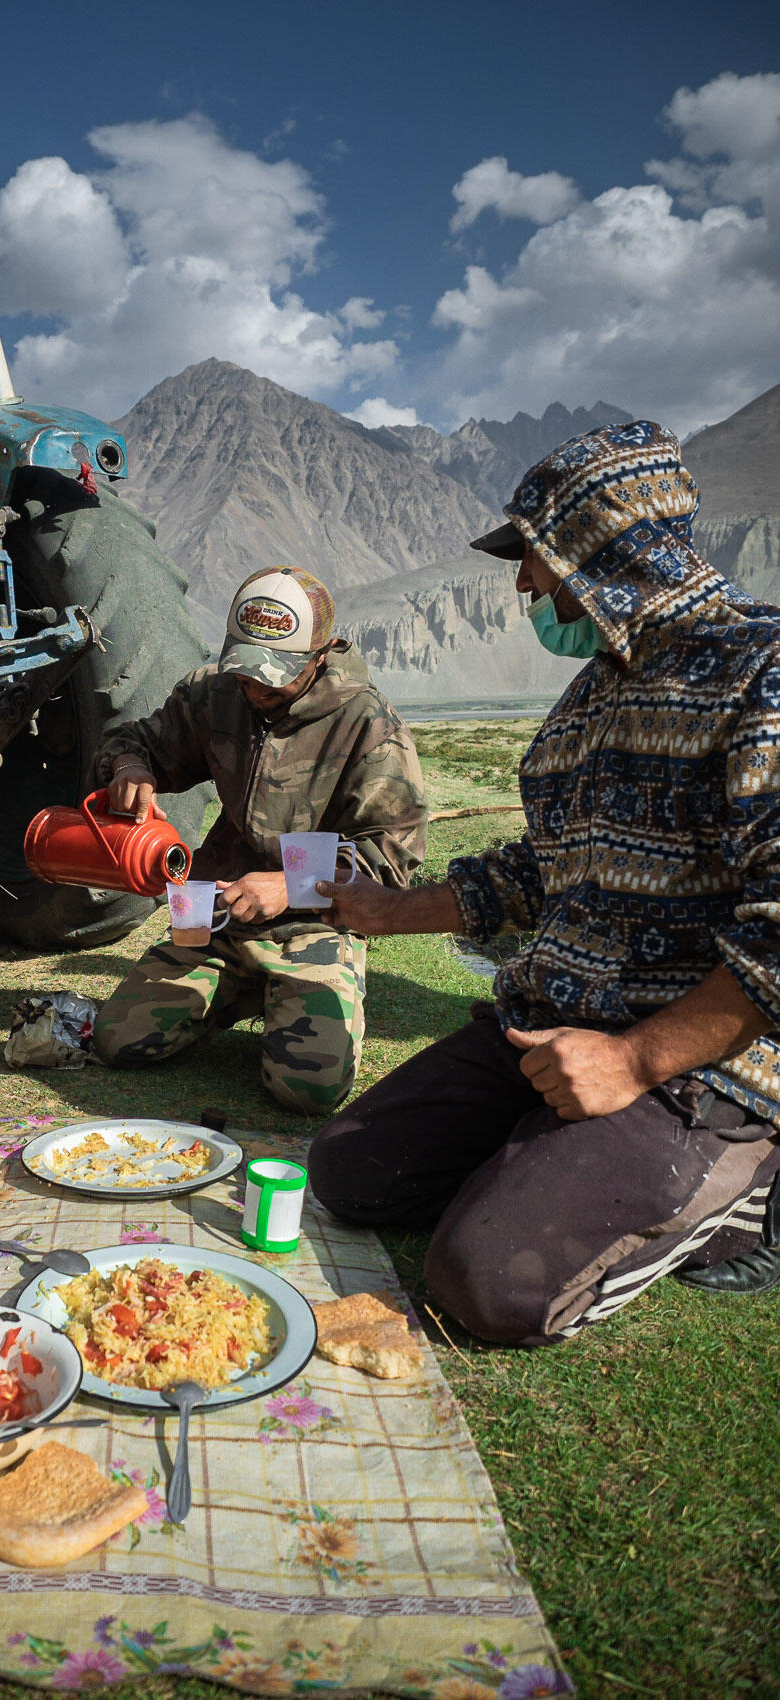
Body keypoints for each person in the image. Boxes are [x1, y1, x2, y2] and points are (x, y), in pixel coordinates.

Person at [307, 420, 780, 1346]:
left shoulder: (758, 671)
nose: (524, 583)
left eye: (537, 556)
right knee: (350, 1176)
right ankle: (558, 1153)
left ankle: (748, 1185)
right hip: (552, 1021)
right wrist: (382, 912)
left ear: (609, 550)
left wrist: (633, 1061)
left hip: (701, 1062)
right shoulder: (591, 693)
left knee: (488, 1288)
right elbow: (541, 866)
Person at [91, 566, 428, 1114]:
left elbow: (391, 859)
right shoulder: (216, 693)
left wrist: (292, 886)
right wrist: (130, 766)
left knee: (308, 1091)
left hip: (312, 923)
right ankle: (246, 987)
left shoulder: (369, 726)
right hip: (218, 915)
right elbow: (135, 741)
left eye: (275, 676)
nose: (256, 688)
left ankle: (295, 985)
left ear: (319, 655)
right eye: (247, 672)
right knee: (119, 1041)